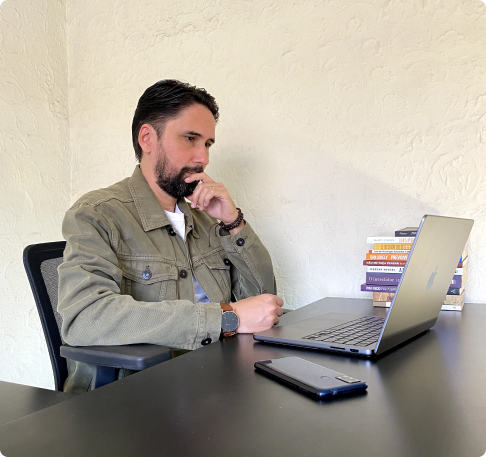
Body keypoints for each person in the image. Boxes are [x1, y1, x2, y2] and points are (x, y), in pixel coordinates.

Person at [58, 80, 283, 393]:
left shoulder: (206, 220)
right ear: (148, 138)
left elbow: (264, 302)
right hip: (137, 402)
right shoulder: (98, 214)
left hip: (215, 386)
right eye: (190, 139)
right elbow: (85, 318)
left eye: (207, 144)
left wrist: (233, 222)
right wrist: (225, 317)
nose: (202, 157)